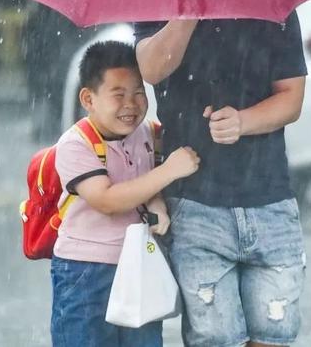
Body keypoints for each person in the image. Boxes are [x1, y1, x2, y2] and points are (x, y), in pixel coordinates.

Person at [134, 14, 307, 347]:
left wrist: (243, 121)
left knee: (275, 336)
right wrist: (187, 14)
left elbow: (291, 96)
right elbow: (151, 68)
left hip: (271, 201)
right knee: (215, 339)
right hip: (196, 205)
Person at [50, 40, 200, 347]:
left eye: (138, 93)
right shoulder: (74, 144)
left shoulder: (146, 133)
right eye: (118, 95)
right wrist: (168, 171)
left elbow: (148, 177)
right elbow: (107, 200)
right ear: (88, 98)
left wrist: (156, 198)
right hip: (84, 272)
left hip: (136, 267)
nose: (131, 104)